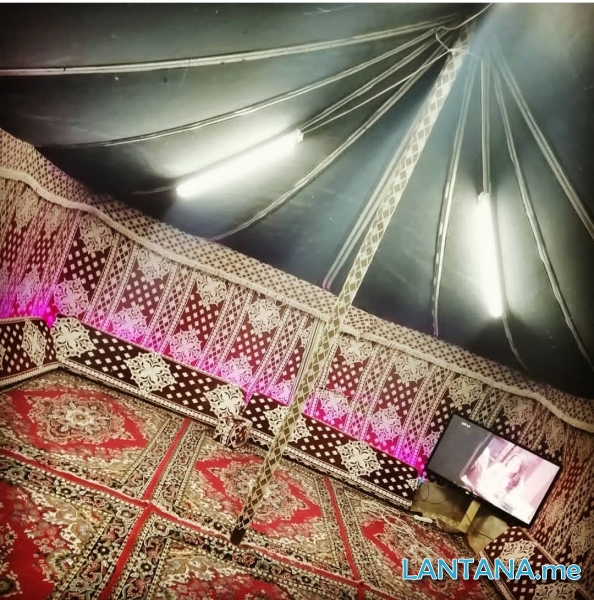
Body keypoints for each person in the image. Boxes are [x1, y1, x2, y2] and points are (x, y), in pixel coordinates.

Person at [460, 450, 527, 510]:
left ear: (520, 469)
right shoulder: (498, 467)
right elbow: (482, 478)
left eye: (516, 464)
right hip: (480, 494)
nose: (512, 464)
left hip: (493, 506)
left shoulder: (519, 484)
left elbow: (511, 501)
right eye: (512, 461)